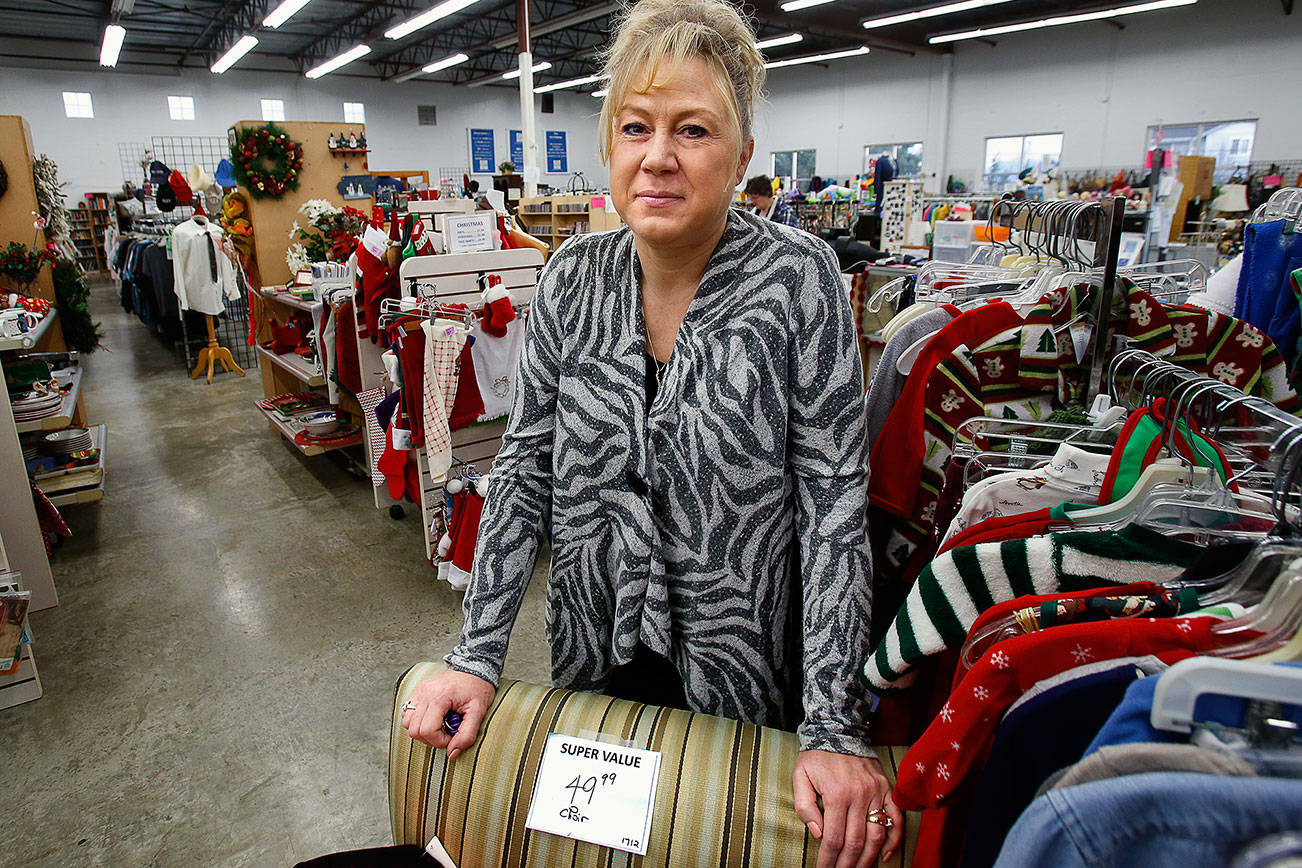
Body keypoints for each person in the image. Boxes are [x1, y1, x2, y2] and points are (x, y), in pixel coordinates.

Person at [400, 0, 901, 864]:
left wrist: (832, 724)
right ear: (608, 145)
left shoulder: (799, 280)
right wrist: (477, 654)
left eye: (693, 130)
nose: (658, 156)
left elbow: (831, 507)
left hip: (744, 675)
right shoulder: (569, 278)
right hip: (594, 653)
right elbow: (525, 472)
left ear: (743, 156)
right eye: (635, 126)